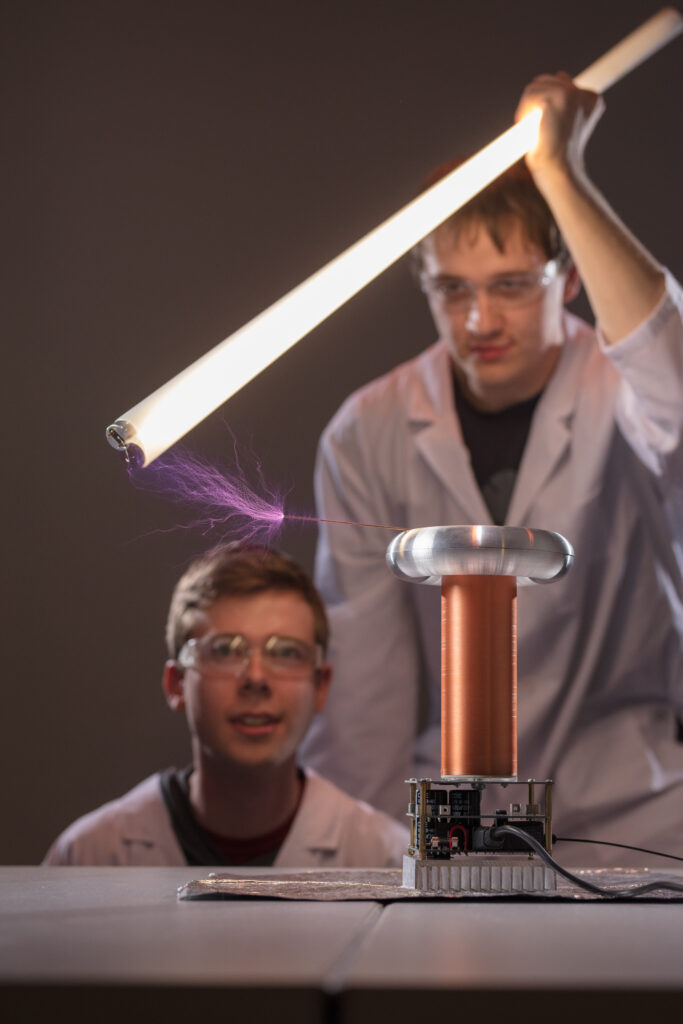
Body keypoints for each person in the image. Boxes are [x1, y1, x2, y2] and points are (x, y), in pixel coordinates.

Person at [302, 73, 683, 865]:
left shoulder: (621, 387)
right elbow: (366, 682)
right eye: (452, 290)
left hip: (635, 807)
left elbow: (674, 385)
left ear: (567, 277)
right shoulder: (366, 432)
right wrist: (354, 868)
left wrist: (559, 174)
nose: (479, 322)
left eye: (510, 287)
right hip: (451, 803)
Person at [44, 545, 409, 867]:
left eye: (285, 652)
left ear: (320, 686)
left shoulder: (389, 858)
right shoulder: (87, 856)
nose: (255, 678)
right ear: (177, 684)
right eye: (224, 650)